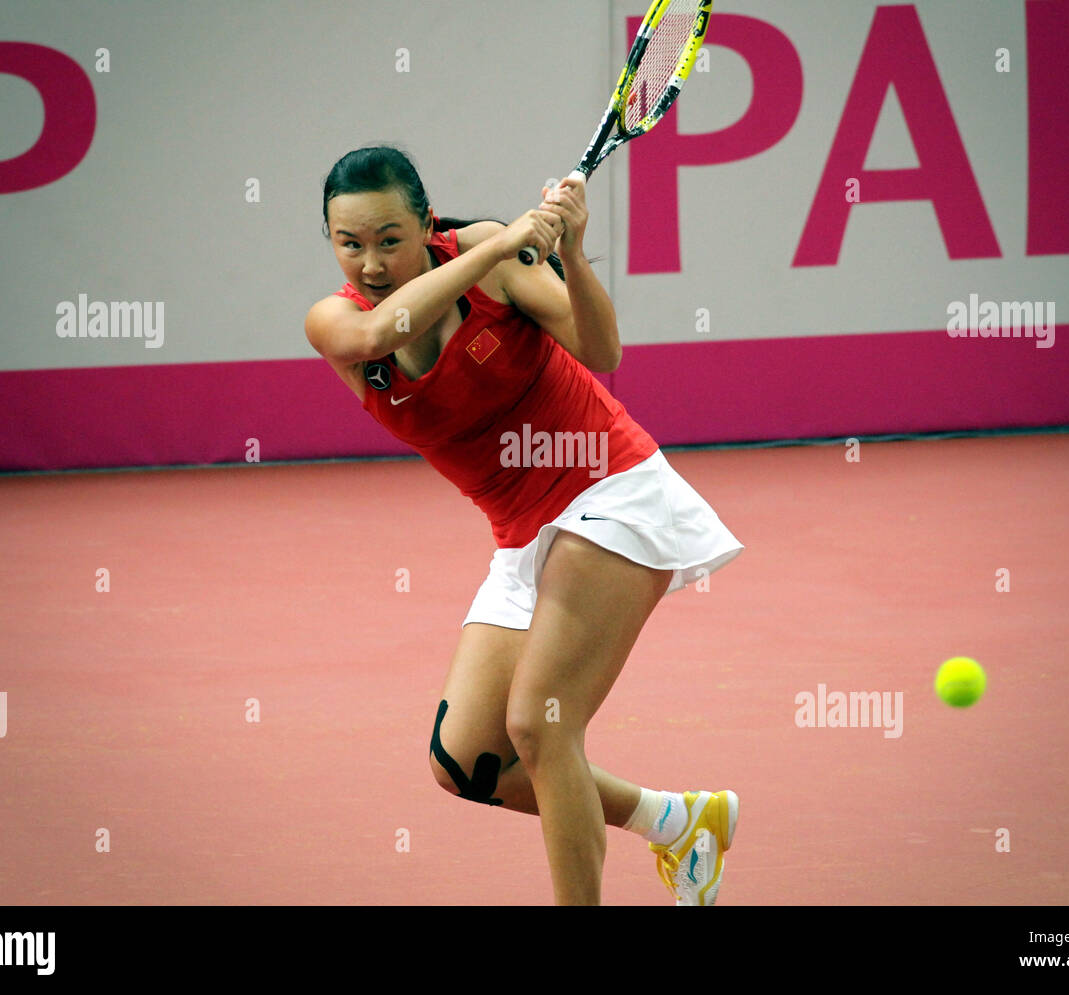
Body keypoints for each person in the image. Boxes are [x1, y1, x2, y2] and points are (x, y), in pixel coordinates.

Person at [304, 145, 744, 905]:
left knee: (541, 726)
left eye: (389, 238)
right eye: (351, 243)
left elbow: (602, 350)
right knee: (468, 759)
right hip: (520, 532)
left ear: (424, 223)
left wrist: (569, 251)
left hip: (609, 486)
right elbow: (384, 334)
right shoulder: (335, 321)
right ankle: (676, 820)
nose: (372, 262)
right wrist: (506, 239)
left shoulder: (494, 263)